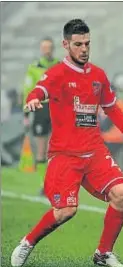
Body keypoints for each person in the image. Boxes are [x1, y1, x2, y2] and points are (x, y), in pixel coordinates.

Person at [11, 19, 123, 267]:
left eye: (87, 43)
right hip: (65, 154)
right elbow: (40, 89)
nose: (84, 49)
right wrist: (33, 99)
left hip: (95, 151)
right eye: (78, 44)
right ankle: (27, 242)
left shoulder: (98, 75)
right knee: (66, 211)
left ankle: (103, 253)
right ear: (66, 45)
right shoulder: (57, 73)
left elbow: (112, 109)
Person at [22, 37, 60, 194]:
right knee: (41, 149)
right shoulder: (33, 68)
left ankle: (54, 182)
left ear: (53, 48)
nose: (47, 50)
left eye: (49, 47)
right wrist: (26, 112)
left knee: (56, 148)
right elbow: (28, 89)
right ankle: (43, 184)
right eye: (44, 47)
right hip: (40, 109)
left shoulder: (60, 65)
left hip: (57, 108)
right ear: (40, 49)